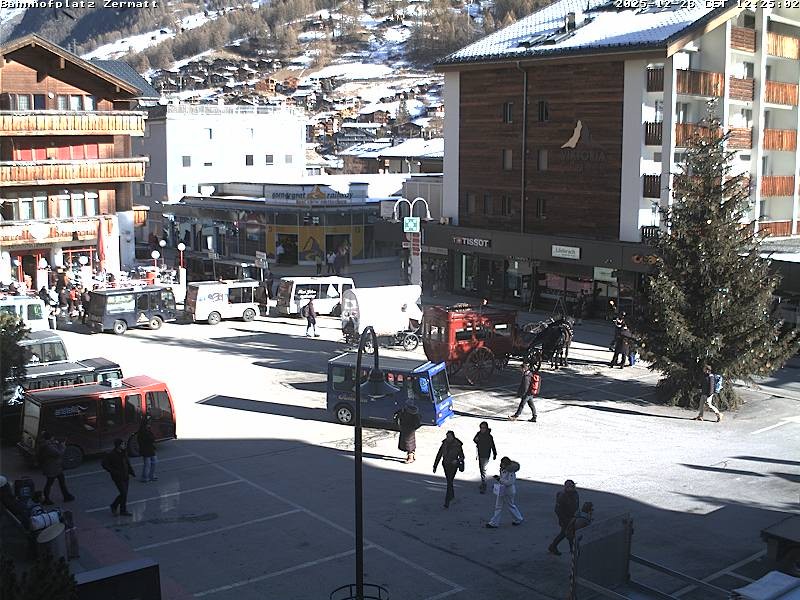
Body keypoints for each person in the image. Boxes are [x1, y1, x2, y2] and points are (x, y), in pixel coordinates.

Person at [485, 457, 523, 528]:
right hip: (502, 490)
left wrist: (499, 479)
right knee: (500, 506)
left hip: (509, 491)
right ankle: (494, 523)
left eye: (502, 463)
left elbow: (509, 482)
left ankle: (518, 519)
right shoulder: (503, 469)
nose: (501, 464)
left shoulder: (511, 471)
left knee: (509, 505)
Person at [101, 438, 135, 516]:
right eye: (122, 444)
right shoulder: (111, 454)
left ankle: (123, 510)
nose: (124, 445)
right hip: (118, 477)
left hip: (125, 476)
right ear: (118, 446)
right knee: (123, 493)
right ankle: (114, 505)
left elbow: (127, 463)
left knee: (124, 494)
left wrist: (131, 472)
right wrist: (113, 472)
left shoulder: (124, 452)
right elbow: (104, 464)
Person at [39, 432, 75, 505]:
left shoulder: (46, 444)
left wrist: (56, 443)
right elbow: (58, 453)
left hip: (54, 467)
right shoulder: (48, 446)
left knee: (60, 482)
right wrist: (63, 446)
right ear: (50, 437)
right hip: (52, 468)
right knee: (50, 483)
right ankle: (47, 499)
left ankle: (66, 495)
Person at [433, 431, 464, 509]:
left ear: (453, 437)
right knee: (449, 481)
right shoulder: (444, 443)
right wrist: (435, 465)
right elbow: (439, 454)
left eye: (449, 436)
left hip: (453, 466)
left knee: (449, 482)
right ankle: (452, 496)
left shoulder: (458, 444)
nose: (447, 438)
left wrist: (457, 461)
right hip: (446, 465)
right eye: (447, 436)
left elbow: (462, 456)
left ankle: (447, 502)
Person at [548, 480, 580, 555]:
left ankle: (554, 546)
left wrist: (577, 515)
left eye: (573, 486)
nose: (572, 488)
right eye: (570, 487)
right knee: (567, 533)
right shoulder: (562, 496)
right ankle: (572, 550)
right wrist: (564, 520)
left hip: (573, 517)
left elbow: (577, 505)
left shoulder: (575, 494)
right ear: (566, 487)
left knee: (567, 533)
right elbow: (557, 510)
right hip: (565, 518)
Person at [473, 421, 497, 494]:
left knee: (483, 469)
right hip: (480, 454)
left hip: (486, 454)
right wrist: (476, 440)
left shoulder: (489, 436)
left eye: (483, 428)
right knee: (481, 469)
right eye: (481, 428)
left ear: (486, 428)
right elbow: (475, 440)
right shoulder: (479, 434)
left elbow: (492, 445)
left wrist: (494, 453)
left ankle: (484, 484)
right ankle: (483, 483)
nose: (482, 429)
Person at [137, 418, 158, 482]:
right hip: (146, 449)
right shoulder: (143, 431)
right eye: (148, 423)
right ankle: (145, 477)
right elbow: (150, 438)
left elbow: (152, 437)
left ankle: (151, 475)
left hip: (149, 448)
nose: (149, 424)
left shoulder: (146, 430)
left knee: (153, 462)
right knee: (148, 463)